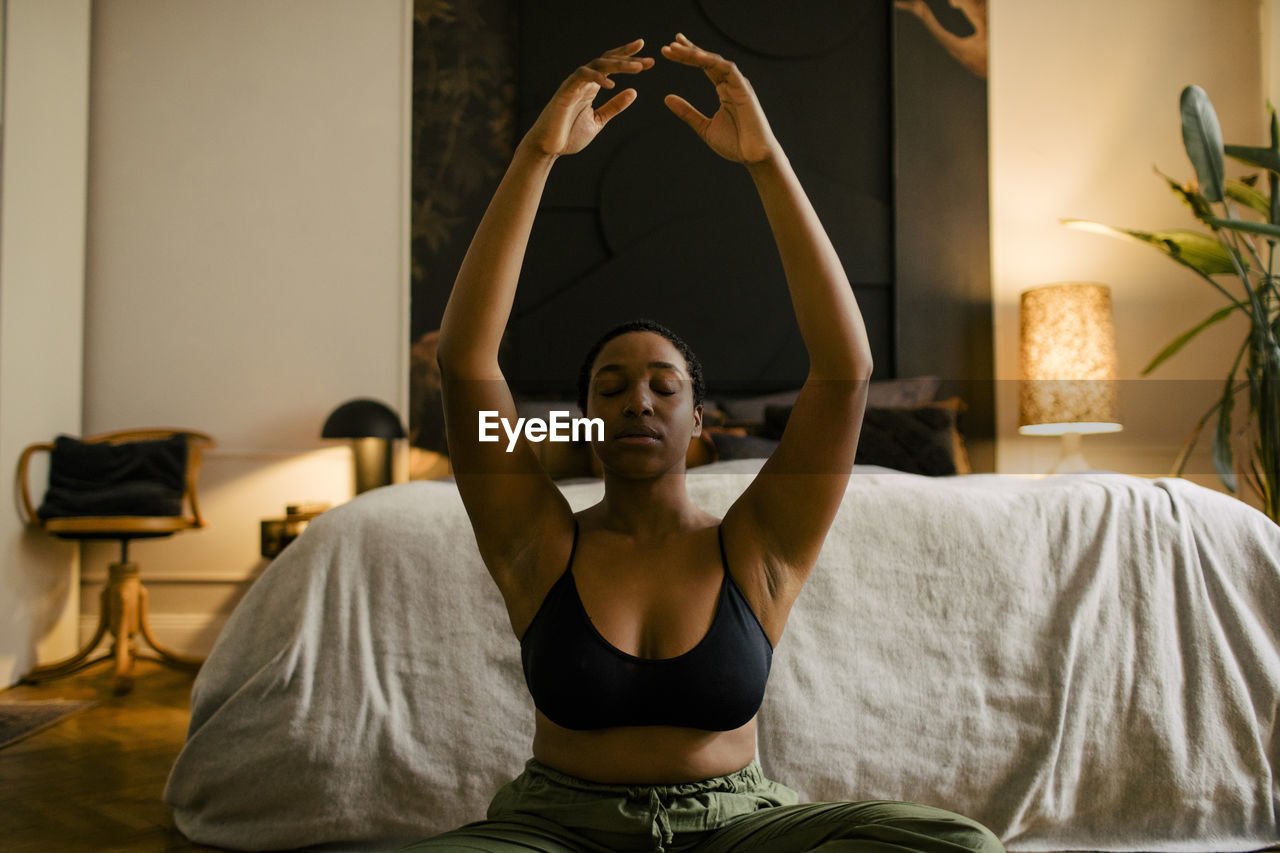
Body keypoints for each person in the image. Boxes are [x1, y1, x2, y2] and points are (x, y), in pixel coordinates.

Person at [412, 34, 1005, 853]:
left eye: (664, 385)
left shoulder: (759, 545)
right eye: (609, 389)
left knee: (956, 845)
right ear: (584, 423)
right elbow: (465, 358)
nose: (638, 402)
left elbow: (844, 367)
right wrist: (537, 155)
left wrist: (765, 161)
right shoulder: (536, 541)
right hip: (559, 829)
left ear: (700, 423)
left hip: (735, 828)